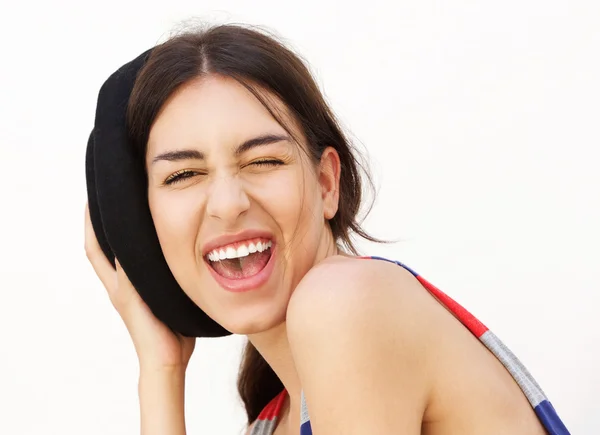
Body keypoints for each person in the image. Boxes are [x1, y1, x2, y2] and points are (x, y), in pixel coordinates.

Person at [84, 24, 569, 435]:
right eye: (184, 175)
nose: (229, 205)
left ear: (326, 182)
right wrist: (161, 367)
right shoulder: (275, 418)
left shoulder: (345, 302)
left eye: (263, 160)